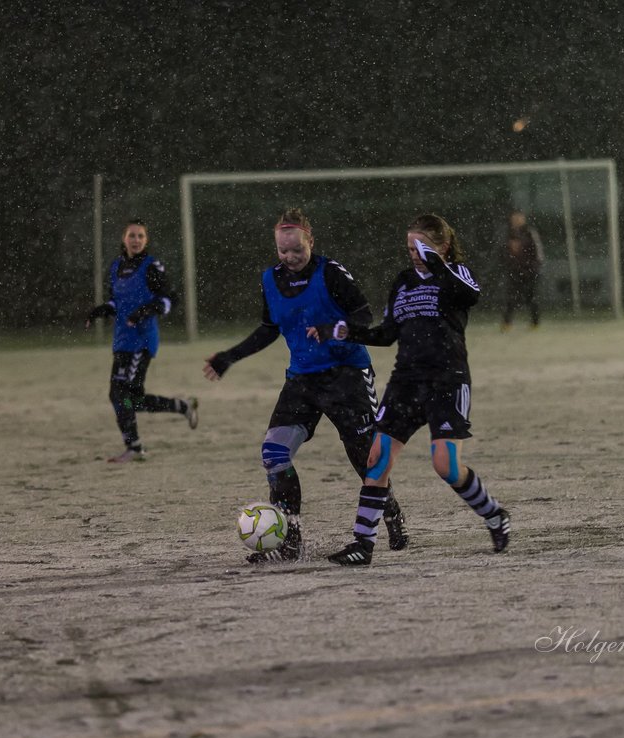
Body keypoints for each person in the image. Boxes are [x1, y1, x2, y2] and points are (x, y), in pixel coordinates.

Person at [203, 208, 408, 565]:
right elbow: (270, 328)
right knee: (274, 454)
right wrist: (229, 357)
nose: (290, 257)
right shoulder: (270, 279)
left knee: (365, 460)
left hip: (346, 375)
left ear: (311, 241)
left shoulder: (331, 272)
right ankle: (290, 537)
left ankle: (390, 511)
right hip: (301, 380)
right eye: (283, 251)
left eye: (297, 249)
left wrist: (334, 327)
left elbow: (363, 315)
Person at [309, 213, 512, 566]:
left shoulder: (455, 274)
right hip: (406, 382)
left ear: (443, 246)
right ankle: (363, 544)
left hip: (447, 380)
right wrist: (340, 330)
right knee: (377, 457)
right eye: (409, 247)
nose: (414, 254)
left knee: (445, 465)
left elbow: (471, 295)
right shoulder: (403, 282)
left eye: (421, 246)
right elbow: (386, 334)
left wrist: (436, 262)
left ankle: (494, 515)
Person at [86, 219, 198, 463]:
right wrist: (103, 310)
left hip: (142, 341)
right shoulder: (116, 266)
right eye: (131, 235)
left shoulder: (151, 267)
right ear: (123, 239)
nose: (136, 240)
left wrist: (145, 311)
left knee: (119, 395)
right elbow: (117, 302)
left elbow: (169, 299)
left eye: (140, 236)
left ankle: (134, 447)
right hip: (121, 341)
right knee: (131, 399)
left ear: (146, 240)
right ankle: (182, 407)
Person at [501, 209, 543, 331]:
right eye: (514, 218)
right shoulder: (508, 234)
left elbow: (538, 252)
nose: (517, 220)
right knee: (511, 298)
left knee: (532, 297)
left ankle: (535, 323)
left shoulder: (530, 233)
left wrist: (533, 267)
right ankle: (507, 323)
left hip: (530, 271)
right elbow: (503, 251)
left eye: (519, 218)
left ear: (523, 219)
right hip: (514, 271)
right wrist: (508, 264)